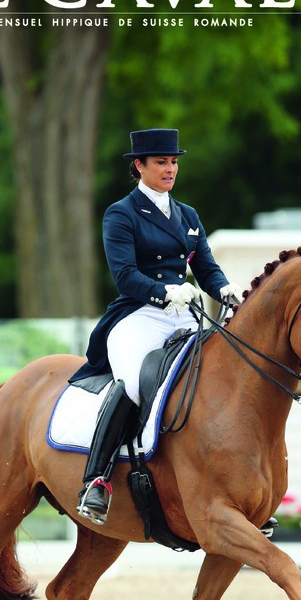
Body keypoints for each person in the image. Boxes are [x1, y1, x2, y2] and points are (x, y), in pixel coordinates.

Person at [71, 128, 242, 524]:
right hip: (139, 315)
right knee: (132, 382)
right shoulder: (121, 213)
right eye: (161, 162)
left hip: (185, 315)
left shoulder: (188, 215)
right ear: (139, 166)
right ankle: (96, 480)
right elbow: (125, 275)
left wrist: (226, 289)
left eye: (174, 162)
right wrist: (165, 291)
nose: (170, 169)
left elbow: (207, 269)